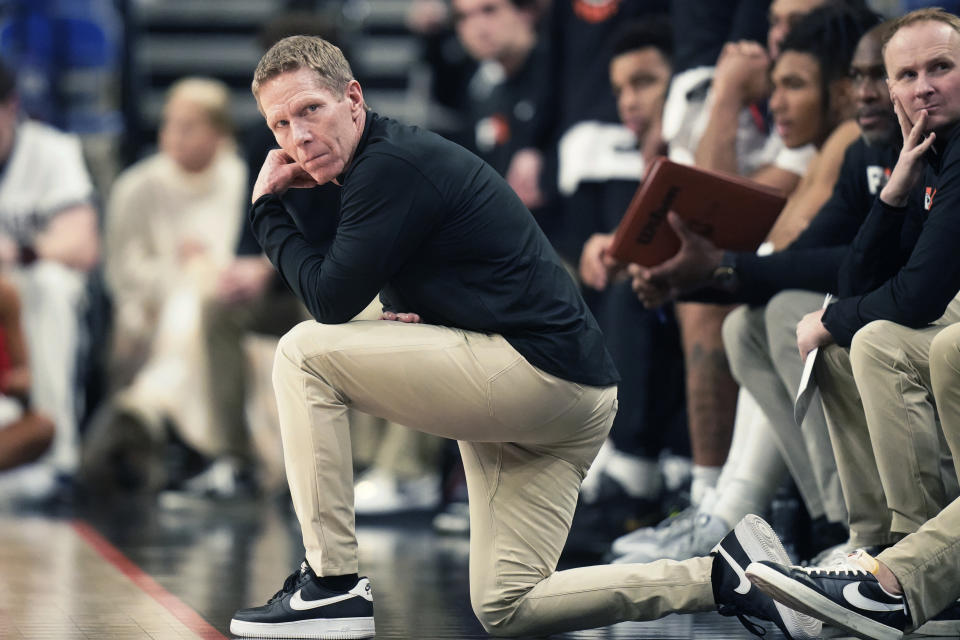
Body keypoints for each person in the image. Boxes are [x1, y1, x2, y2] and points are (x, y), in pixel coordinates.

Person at [228, 35, 823, 640]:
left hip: (537, 375)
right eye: (280, 124)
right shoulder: (382, 164)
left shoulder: (388, 165)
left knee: (302, 353)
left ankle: (329, 585)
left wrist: (265, 210)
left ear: (353, 99)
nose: (297, 135)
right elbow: (369, 288)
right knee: (508, 606)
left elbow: (328, 298)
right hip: (565, 395)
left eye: (310, 109)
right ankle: (730, 578)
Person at [795, 6, 960, 557]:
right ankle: (872, 542)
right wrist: (896, 189)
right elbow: (858, 279)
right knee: (843, 350)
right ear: (893, 92)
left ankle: (920, 556)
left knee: (875, 341)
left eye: (941, 68)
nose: (925, 89)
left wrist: (830, 319)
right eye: (908, 77)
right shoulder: (926, 152)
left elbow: (917, 294)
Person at [83, 77, 247, 493]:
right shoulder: (137, 187)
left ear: (219, 133)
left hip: (222, 301)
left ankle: (151, 410)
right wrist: (179, 271)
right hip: (151, 309)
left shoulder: (240, 179)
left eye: (189, 125)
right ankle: (194, 441)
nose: (173, 136)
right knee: (192, 305)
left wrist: (206, 268)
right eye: (169, 123)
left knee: (206, 305)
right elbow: (121, 272)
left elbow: (244, 254)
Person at [0, 58, 99, 496]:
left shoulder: (52, 151)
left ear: (11, 107)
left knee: (50, 285)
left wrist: (20, 251)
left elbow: (82, 245)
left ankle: (55, 455)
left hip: (26, 288)